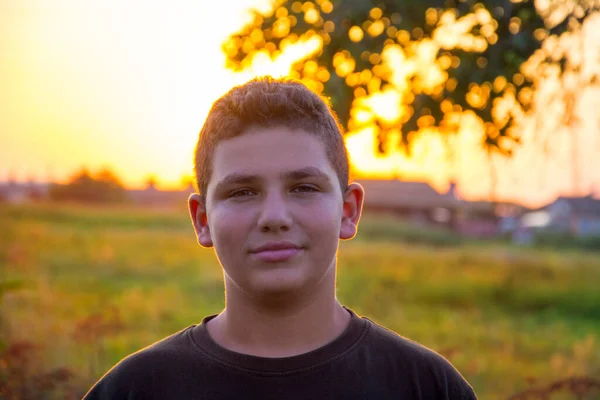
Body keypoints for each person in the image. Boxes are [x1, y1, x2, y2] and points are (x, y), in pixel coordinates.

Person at [84, 76, 477, 399]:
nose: (274, 217)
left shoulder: (427, 389)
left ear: (348, 210)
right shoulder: (137, 391)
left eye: (304, 187)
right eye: (242, 192)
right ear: (202, 219)